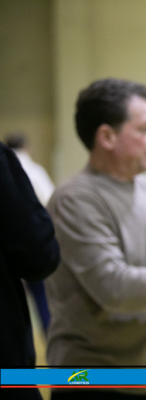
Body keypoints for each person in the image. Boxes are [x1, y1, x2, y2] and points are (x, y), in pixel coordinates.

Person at [45, 78, 146, 400]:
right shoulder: (76, 199)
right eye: (144, 129)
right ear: (107, 137)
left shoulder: (144, 187)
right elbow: (113, 287)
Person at [0, 141, 60, 400]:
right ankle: (53, 356)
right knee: (44, 308)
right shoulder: (28, 168)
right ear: (26, 147)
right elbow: (39, 249)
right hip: (6, 368)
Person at [5, 131, 55, 335]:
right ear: (26, 147)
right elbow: (50, 202)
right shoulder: (35, 171)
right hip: (31, 244)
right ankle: (48, 337)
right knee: (41, 295)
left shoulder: (6, 167)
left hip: (6, 251)